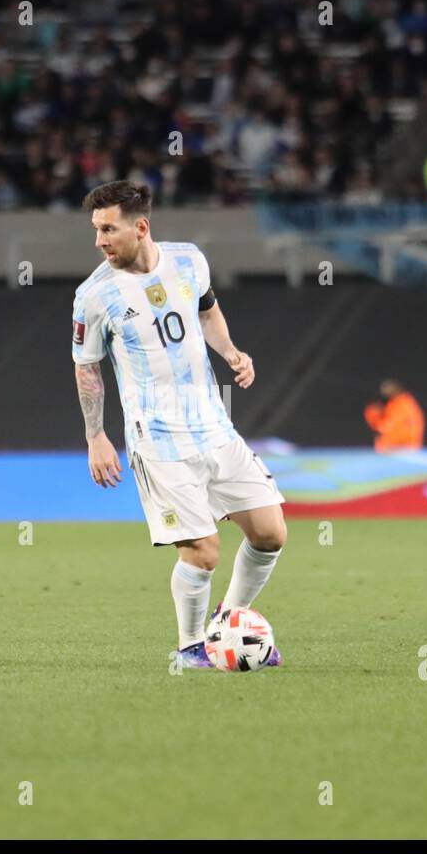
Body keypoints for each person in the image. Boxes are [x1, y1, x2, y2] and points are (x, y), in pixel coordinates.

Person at [72, 180, 287, 669]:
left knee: (270, 534)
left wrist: (230, 351)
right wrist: (95, 435)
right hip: (160, 440)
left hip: (215, 427)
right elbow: (87, 366)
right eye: (96, 230)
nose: (100, 241)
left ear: (141, 227)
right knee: (203, 552)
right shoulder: (94, 295)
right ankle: (191, 648)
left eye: (108, 229)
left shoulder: (189, 259)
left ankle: (227, 624)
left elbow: (207, 311)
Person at [365, 379, 424, 451]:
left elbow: (384, 426)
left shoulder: (400, 403)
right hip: (407, 445)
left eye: (387, 388)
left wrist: (372, 414)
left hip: (398, 446)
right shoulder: (406, 401)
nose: (384, 391)